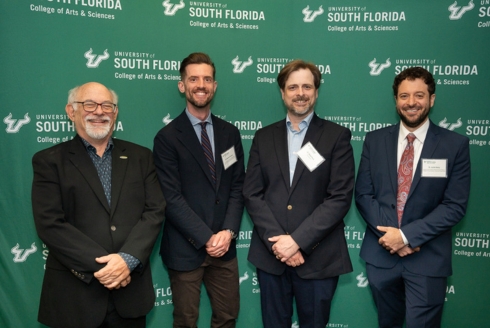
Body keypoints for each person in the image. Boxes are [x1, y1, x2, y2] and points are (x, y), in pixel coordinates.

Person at [31, 82, 166, 327]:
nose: (99, 111)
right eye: (89, 104)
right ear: (71, 112)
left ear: (115, 113)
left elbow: (154, 211)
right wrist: (110, 266)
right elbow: (50, 224)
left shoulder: (141, 157)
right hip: (75, 298)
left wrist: (127, 259)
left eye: (107, 105)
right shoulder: (49, 161)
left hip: (130, 296)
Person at [355, 67, 471, 328]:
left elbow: (454, 206)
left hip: (427, 258)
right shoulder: (374, 141)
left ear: (432, 99)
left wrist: (406, 236)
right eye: (404, 96)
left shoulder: (455, 145)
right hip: (382, 257)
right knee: (388, 323)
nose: (411, 103)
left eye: (419, 95)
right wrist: (392, 238)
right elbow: (363, 194)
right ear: (396, 100)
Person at [243, 59, 354, 328]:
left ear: (316, 91)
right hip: (272, 257)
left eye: (307, 86)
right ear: (282, 93)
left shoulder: (336, 136)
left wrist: (298, 241)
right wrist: (279, 245)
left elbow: (339, 197)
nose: (300, 93)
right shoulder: (263, 137)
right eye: (293, 87)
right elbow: (252, 194)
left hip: (319, 259)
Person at [153, 52, 245, 328]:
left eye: (207, 79)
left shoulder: (231, 133)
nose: (201, 85)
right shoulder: (167, 138)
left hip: (224, 246)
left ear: (215, 86)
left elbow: (238, 186)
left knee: (228, 317)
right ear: (182, 85)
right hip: (185, 248)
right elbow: (171, 197)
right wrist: (207, 238)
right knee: (185, 321)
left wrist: (227, 232)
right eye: (193, 79)